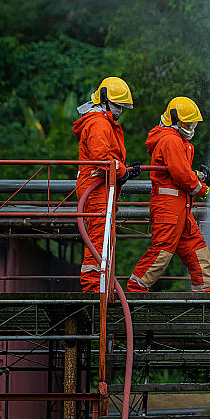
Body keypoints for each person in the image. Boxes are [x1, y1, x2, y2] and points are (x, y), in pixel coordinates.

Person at [127, 96, 210, 292]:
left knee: (198, 252)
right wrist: (202, 189)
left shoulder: (176, 140)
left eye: (193, 122)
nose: (191, 126)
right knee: (161, 253)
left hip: (181, 209)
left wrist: (194, 179)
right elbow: (181, 174)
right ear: (175, 119)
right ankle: (134, 293)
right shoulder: (170, 140)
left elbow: (178, 172)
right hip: (169, 209)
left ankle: (208, 299)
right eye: (188, 122)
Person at [73, 77, 141, 292]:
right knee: (98, 237)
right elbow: (102, 157)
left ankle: (101, 285)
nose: (120, 110)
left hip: (100, 186)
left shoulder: (102, 121)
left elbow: (108, 157)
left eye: (122, 106)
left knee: (103, 236)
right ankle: (94, 288)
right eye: (117, 105)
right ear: (104, 100)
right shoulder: (98, 122)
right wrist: (121, 171)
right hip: (96, 188)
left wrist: (125, 170)